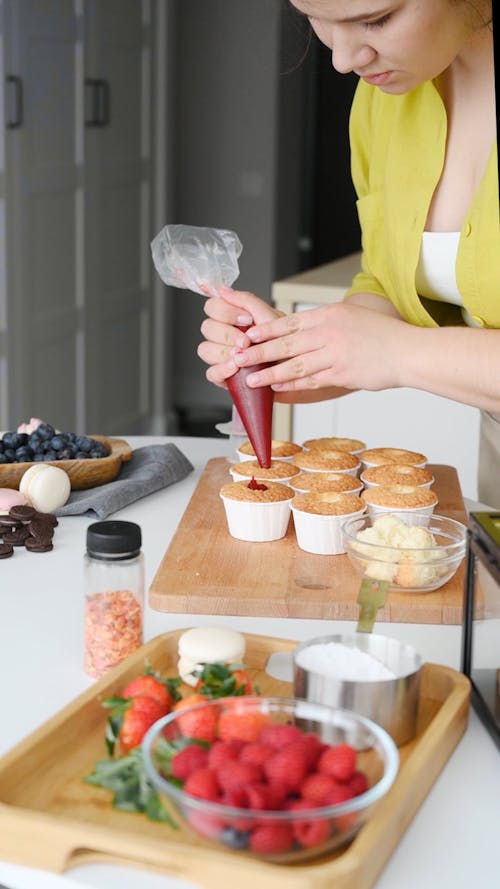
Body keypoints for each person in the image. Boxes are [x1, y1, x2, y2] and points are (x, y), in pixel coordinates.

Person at [197, 0, 499, 506]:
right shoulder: (385, 98)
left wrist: (397, 353)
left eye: (375, 19)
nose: (341, 58)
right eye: (316, 17)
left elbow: (394, 345)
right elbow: (387, 283)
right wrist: (300, 354)